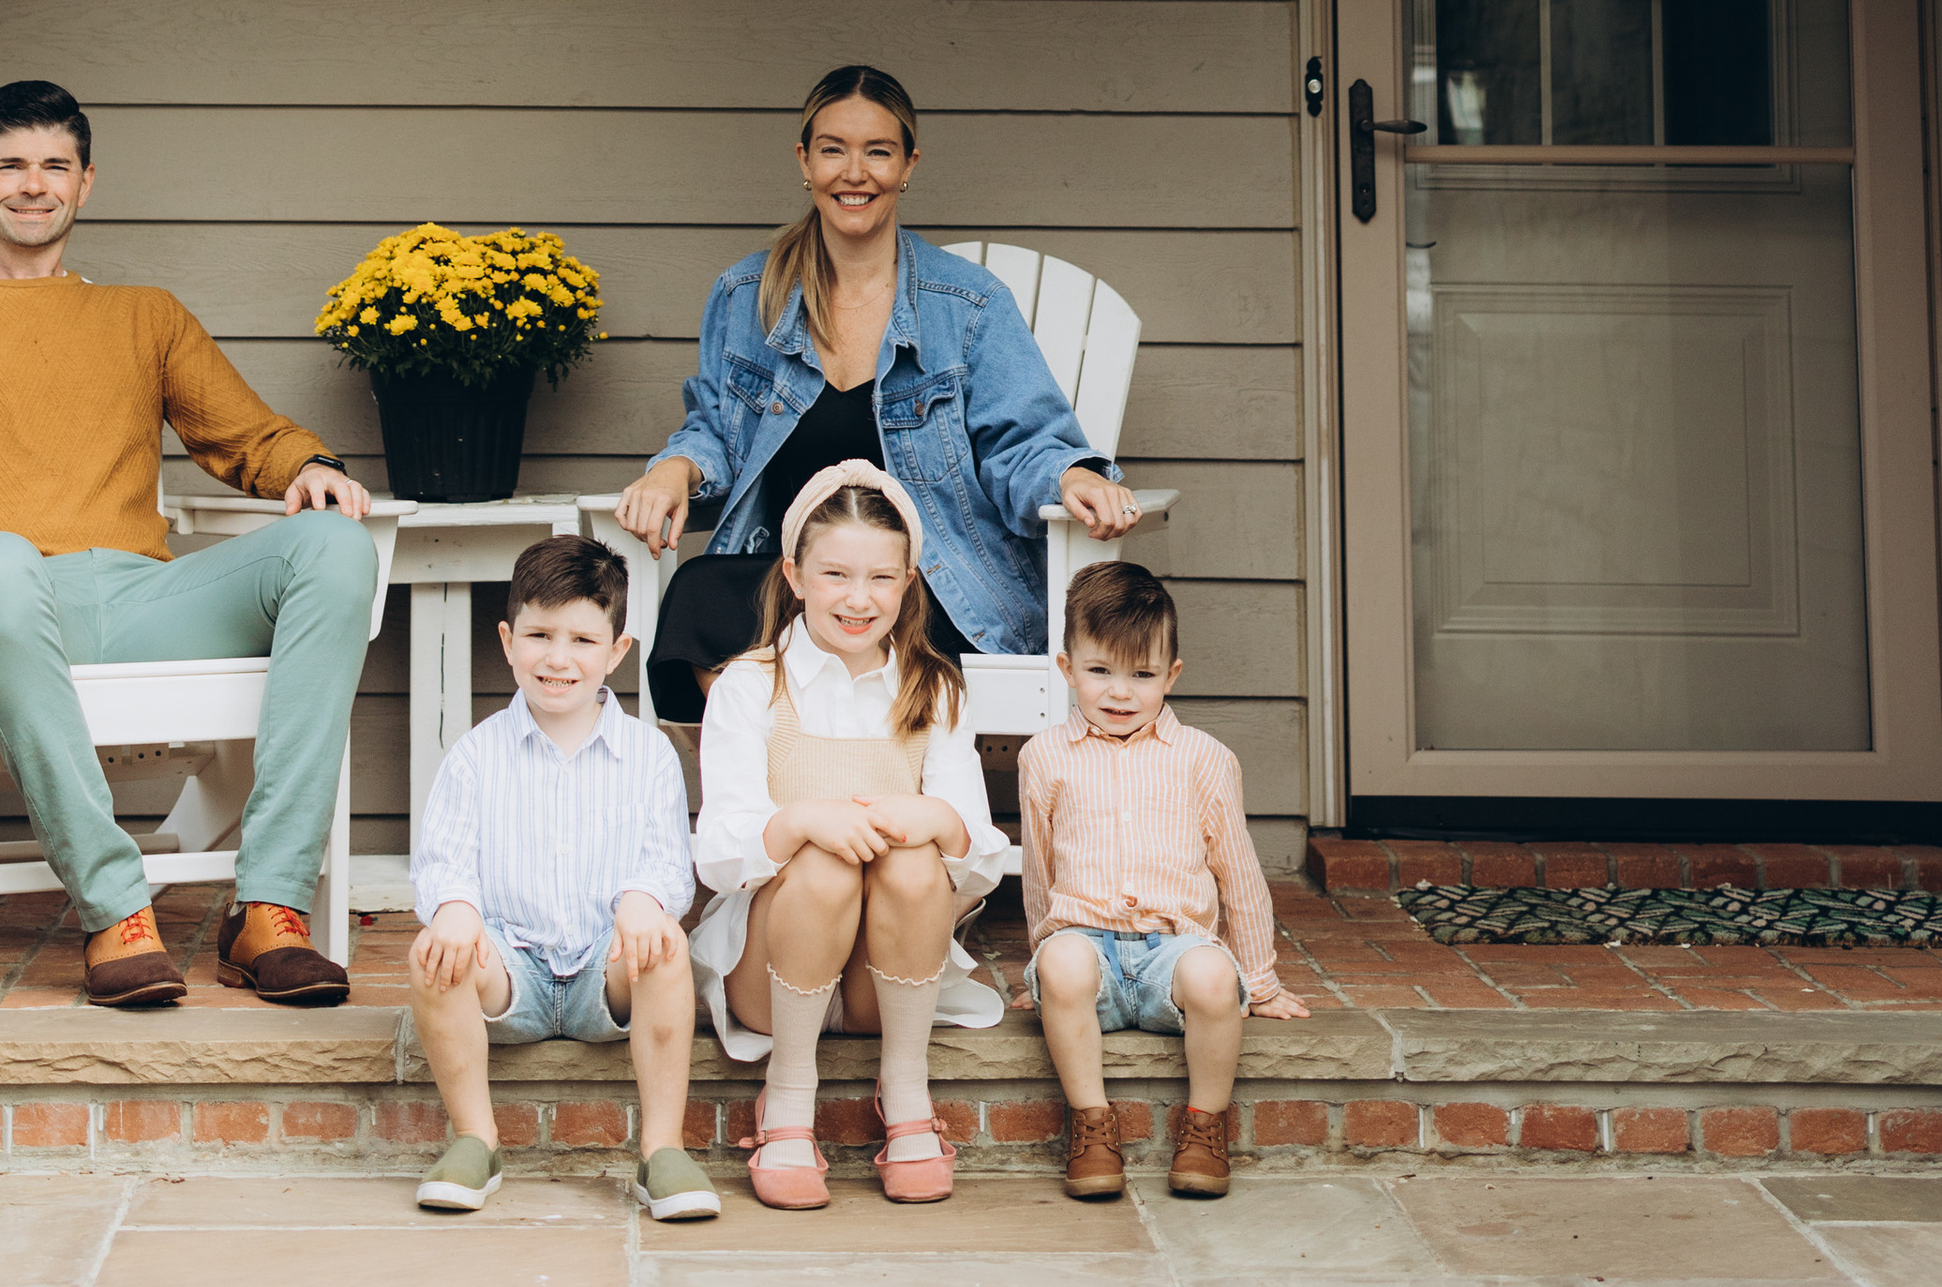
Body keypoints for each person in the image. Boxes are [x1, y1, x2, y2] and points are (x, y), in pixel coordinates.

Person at [0, 77, 379, 1011]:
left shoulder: (144, 316)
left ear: (86, 183)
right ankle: (115, 907)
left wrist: (310, 465)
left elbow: (248, 435)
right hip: (0, 603)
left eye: (54, 166)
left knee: (339, 545)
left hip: (144, 600)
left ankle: (269, 906)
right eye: (12, 166)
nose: (34, 185)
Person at [617, 63, 1143, 707]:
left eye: (878, 151)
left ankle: (824, 781)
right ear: (804, 161)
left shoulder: (968, 305)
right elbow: (717, 432)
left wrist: (1072, 477)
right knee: (699, 597)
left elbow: (1023, 442)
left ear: (908, 165)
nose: (855, 172)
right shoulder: (747, 297)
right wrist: (675, 468)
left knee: (885, 612)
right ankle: (792, 780)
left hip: (926, 581)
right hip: (799, 580)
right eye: (833, 149)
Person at [690, 462, 1009, 1210]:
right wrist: (800, 822)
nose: (859, 599)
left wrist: (941, 822)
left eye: (880, 579)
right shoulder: (750, 685)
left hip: (880, 984)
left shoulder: (934, 689)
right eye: (835, 574)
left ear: (907, 583)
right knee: (824, 864)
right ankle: (789, 1099)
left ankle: (903, 1093)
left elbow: (981, 859)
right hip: (769, 975)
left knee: (913, 864)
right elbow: (717, 852)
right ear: (796, 575)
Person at [406, 535, 714, 1223]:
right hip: (510, 972)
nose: (558, 657)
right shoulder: (475, 755)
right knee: (433, 954)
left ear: (616, 651)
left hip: (608, 971)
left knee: (664, 945)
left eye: (581, 638)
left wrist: (642, 900)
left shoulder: (649, 755)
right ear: (508, 640)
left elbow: (667, 859)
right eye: (540, 634)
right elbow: (444, 860)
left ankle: (661, 1148)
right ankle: (475, 1139)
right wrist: (455, 909)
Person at [1017, 561, 1309, 1204]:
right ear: (1067, 668)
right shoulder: (1043, 756)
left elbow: (1239, 872)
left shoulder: (1204, 759)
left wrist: (1259, 980)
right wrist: (1034, 966)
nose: (1120, 692)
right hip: (1085, 950)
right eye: (1099, 671)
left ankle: (1205, 1126)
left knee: (1212, 974)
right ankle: (1092, 1125)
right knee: (1063, 962)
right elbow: (1039, 870)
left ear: (1171, 675)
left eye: (1142, 675)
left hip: (1170, 957)